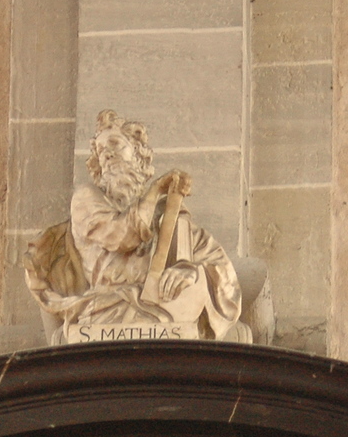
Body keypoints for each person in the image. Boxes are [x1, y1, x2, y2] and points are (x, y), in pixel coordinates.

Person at [25, 110, 246, 343]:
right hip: (106, 306)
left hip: (160, 306)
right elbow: (121, 236)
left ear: (138, 154)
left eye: (115, 144)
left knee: (203, 304)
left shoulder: (168, 214)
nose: (107, 155)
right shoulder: (86, 200)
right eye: (100, 151)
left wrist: (190, 272)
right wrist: (156, 190)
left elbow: (218, 266)